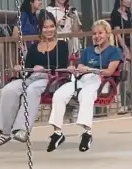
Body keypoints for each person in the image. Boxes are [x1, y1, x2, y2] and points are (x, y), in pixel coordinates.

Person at [0, 15, 67, 147]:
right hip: (31, 76)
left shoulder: (62, 45)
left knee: (31, 91)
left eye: (51, 26)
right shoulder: (34, 47)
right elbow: (28, 66)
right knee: (7, 90)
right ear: (40, 28)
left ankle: (22, 128)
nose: (48, 30)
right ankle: (4, 131)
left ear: (55, 27)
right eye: (45, 27)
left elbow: (63, 64)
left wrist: (45, 68)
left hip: (49, 77)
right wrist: (21, 68)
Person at [48, 19, 121, 151]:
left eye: (100, 33)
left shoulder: (114, 51)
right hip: (83, 78)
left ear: (107, 34)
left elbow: (110, 71)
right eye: (94, 34)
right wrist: (75, 69)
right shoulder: (88, 51)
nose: (97, 36)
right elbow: (80, 66)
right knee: (59, 94)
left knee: (86, 95)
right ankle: (57, 132)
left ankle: (87, 133)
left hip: (101, 79)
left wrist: (91, 69)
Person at [107, 0, 132, 113]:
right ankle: (124, 103)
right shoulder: (115, 14)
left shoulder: (129, 14)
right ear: (121, 0)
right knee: (124, 75)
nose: (129, 1)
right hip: (122, 46)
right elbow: (117, 33)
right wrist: (124, 48)